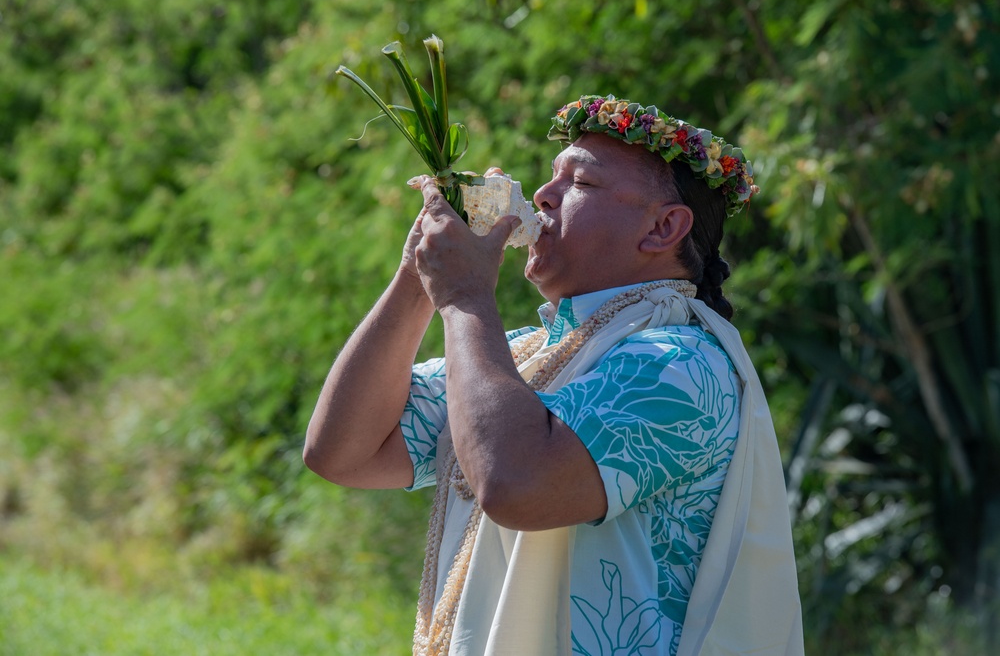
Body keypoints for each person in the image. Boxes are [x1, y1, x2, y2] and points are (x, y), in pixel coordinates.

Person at [304, 94, 804, 656]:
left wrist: (466, 297)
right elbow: (344, 452)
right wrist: (417, 275)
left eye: (581, 184)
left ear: (664, 227)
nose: (542, 195)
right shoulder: (521, 354)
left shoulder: (683, 364)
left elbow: (517, 484)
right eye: (551, 177)